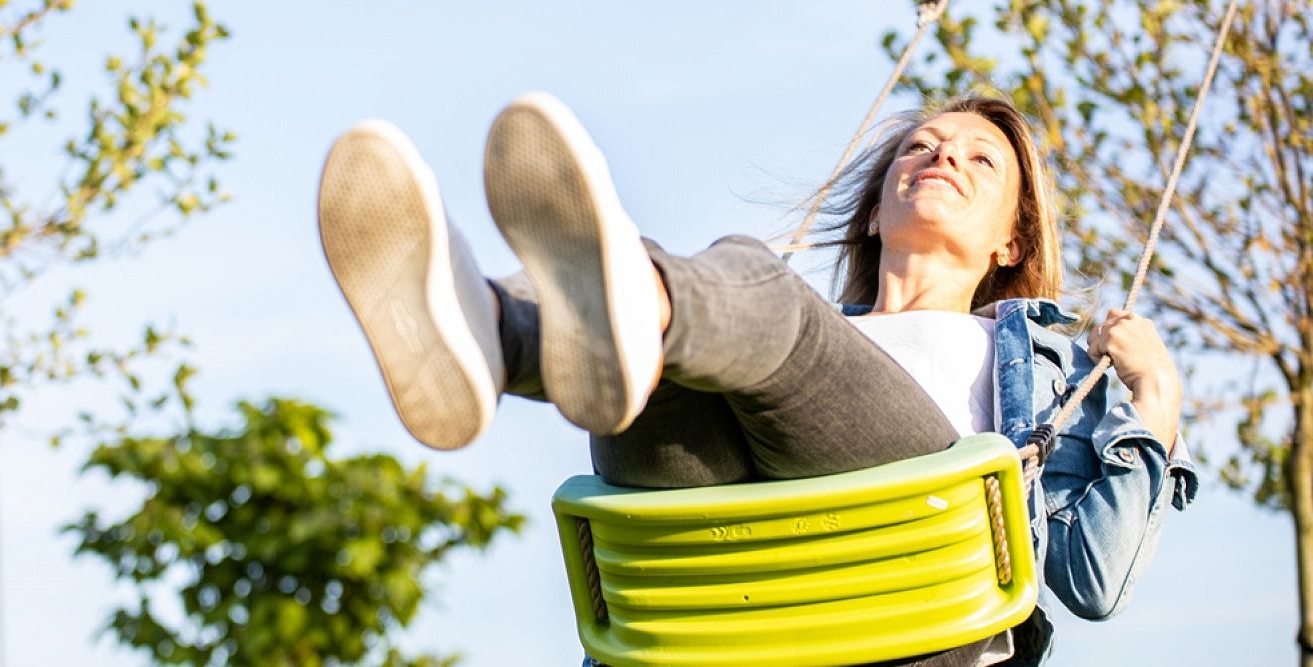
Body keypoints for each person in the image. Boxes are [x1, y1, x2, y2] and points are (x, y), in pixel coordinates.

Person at [316, 92, 1197, 666]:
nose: (939, 158)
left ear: (1012, 239)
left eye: (978, 160)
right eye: (919, 148)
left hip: (917, 608)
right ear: (874, 210)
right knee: (658, 356)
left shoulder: (1046, 366)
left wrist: (1153, 405)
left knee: (735, 288)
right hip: (730, 620)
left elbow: (1093, 581)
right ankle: (479, 330)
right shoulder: (791, 341)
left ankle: (508, 337)